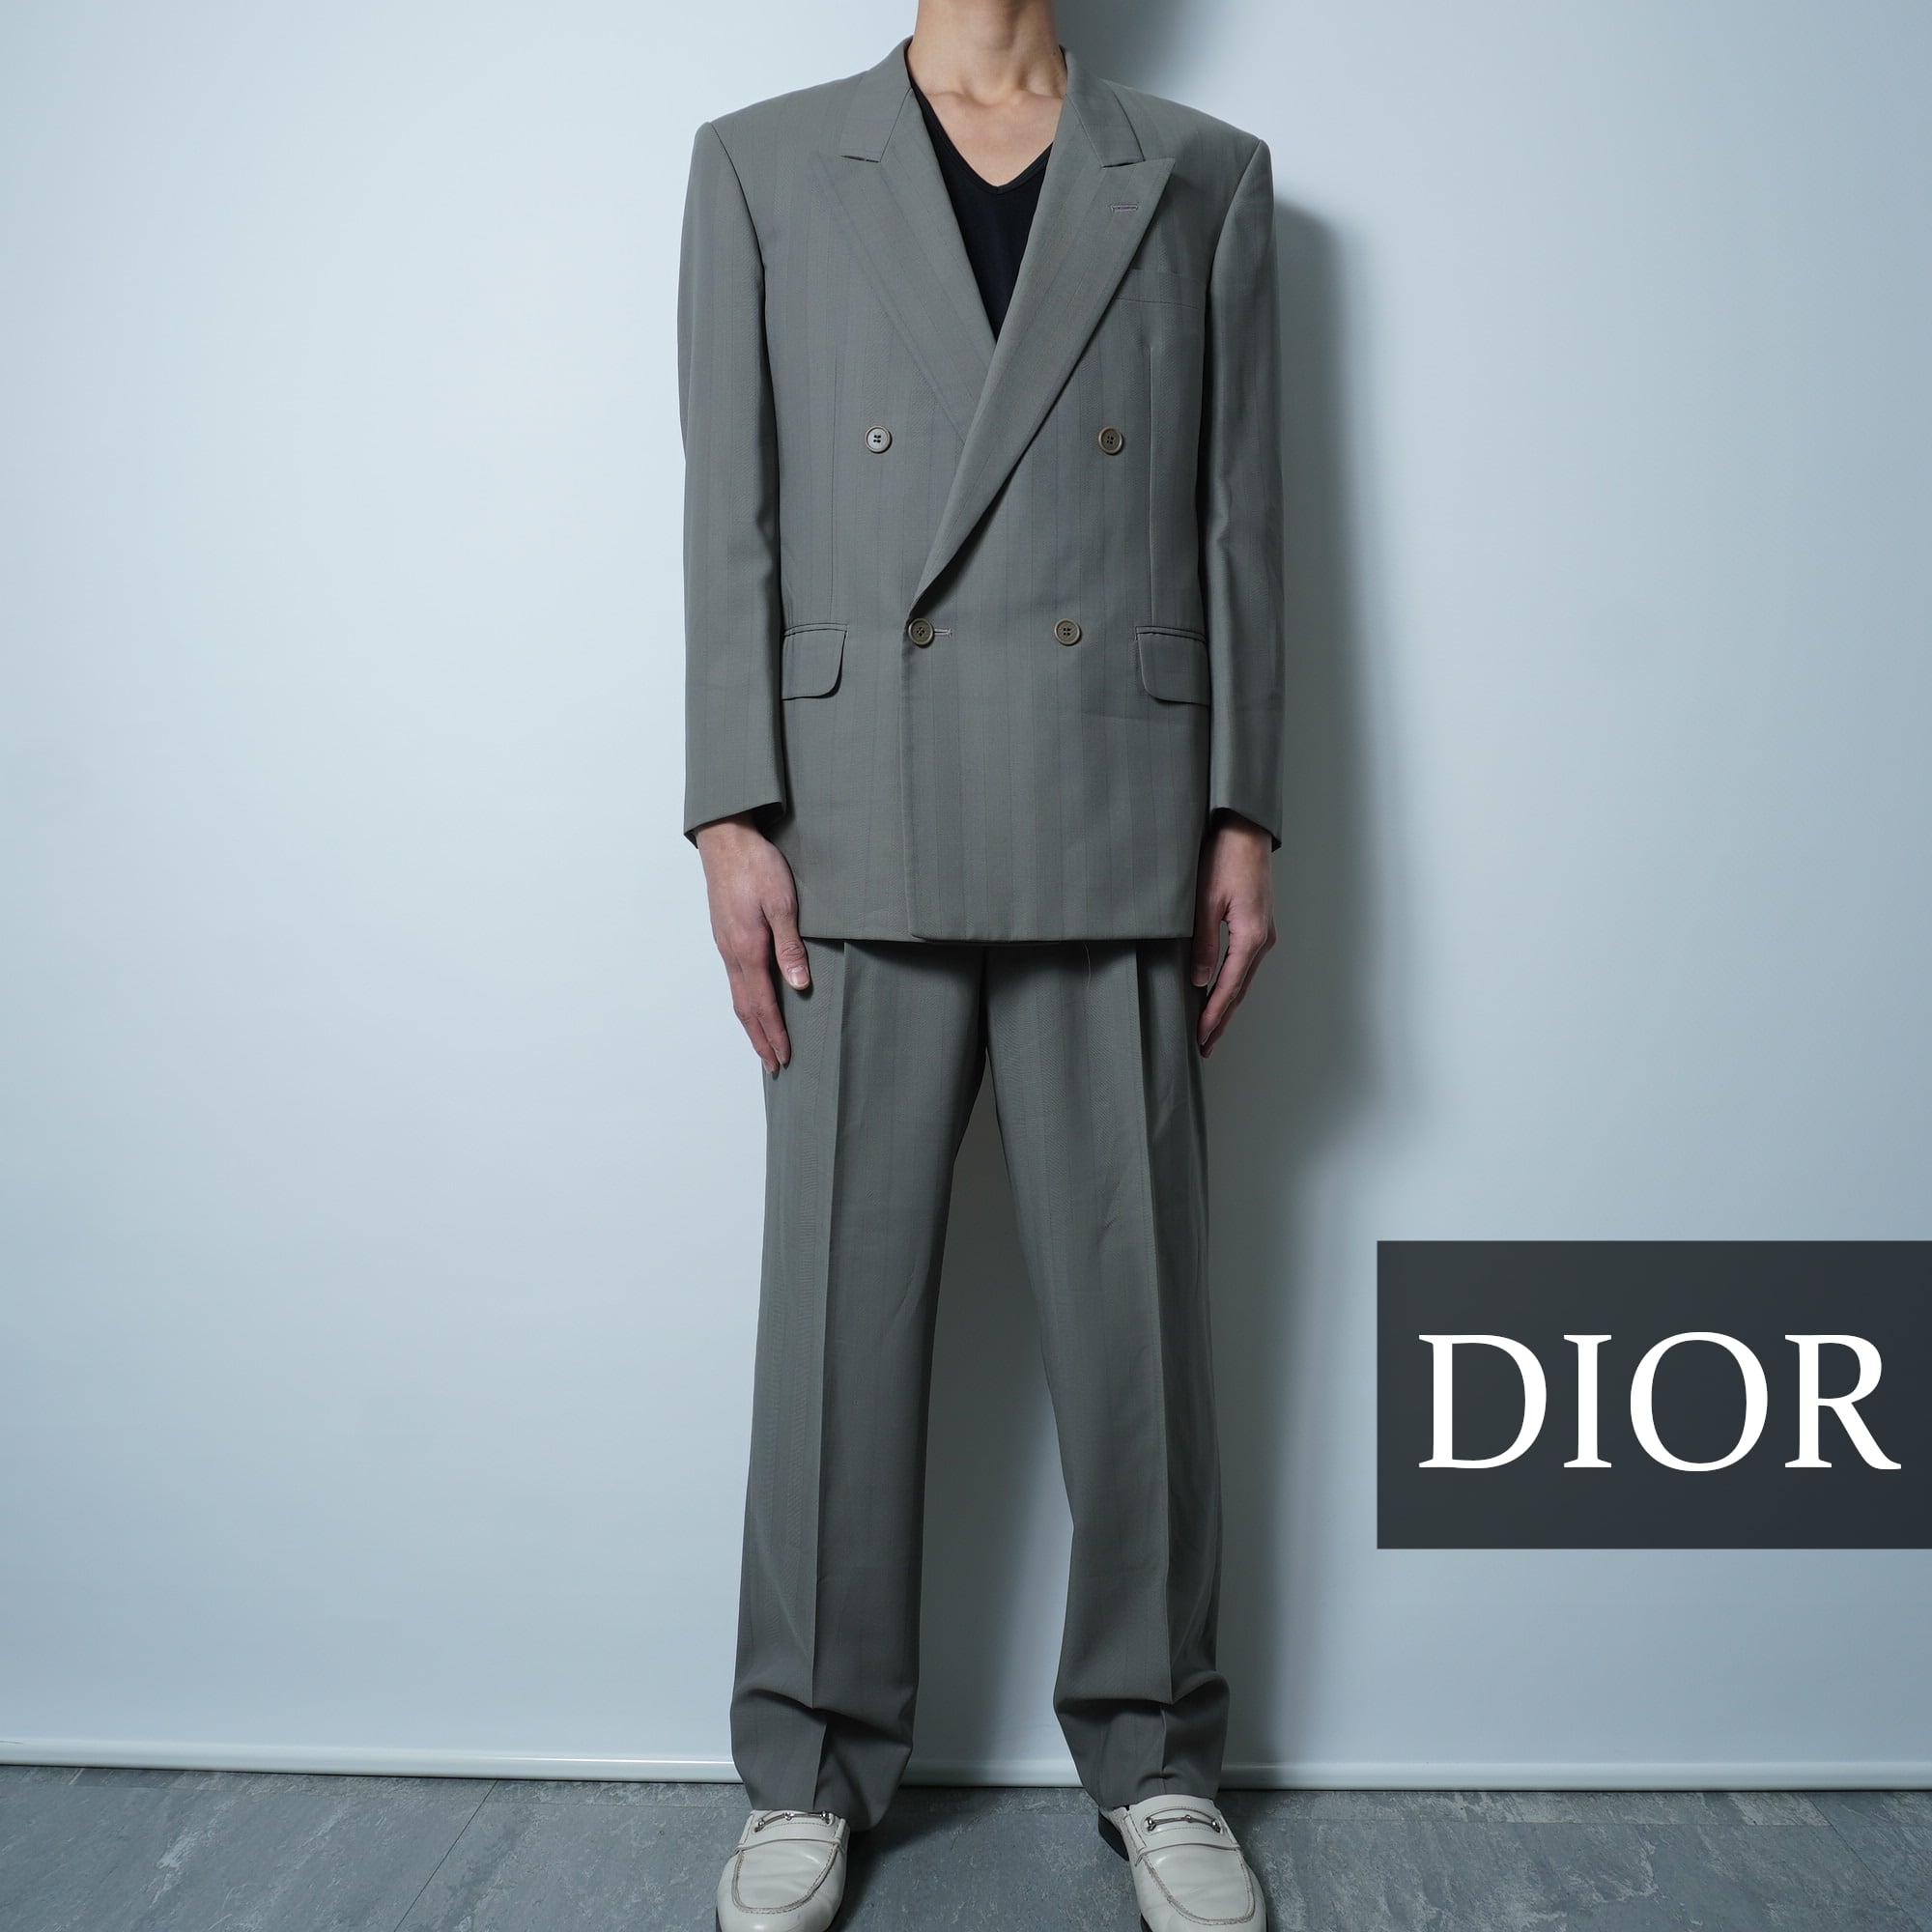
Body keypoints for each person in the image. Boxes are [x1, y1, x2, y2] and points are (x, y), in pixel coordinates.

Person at [677, 3, 1284, 1925]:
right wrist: (729, 808)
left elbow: (1240, 516)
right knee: (836, 1326)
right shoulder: (763, 160)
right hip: (856, 806)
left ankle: (1160, 1758)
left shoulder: (1199, 174)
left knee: (1137, 1328)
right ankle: (805, 1766)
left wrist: (1243, 809)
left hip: (1118, 794)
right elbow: (728, 509)